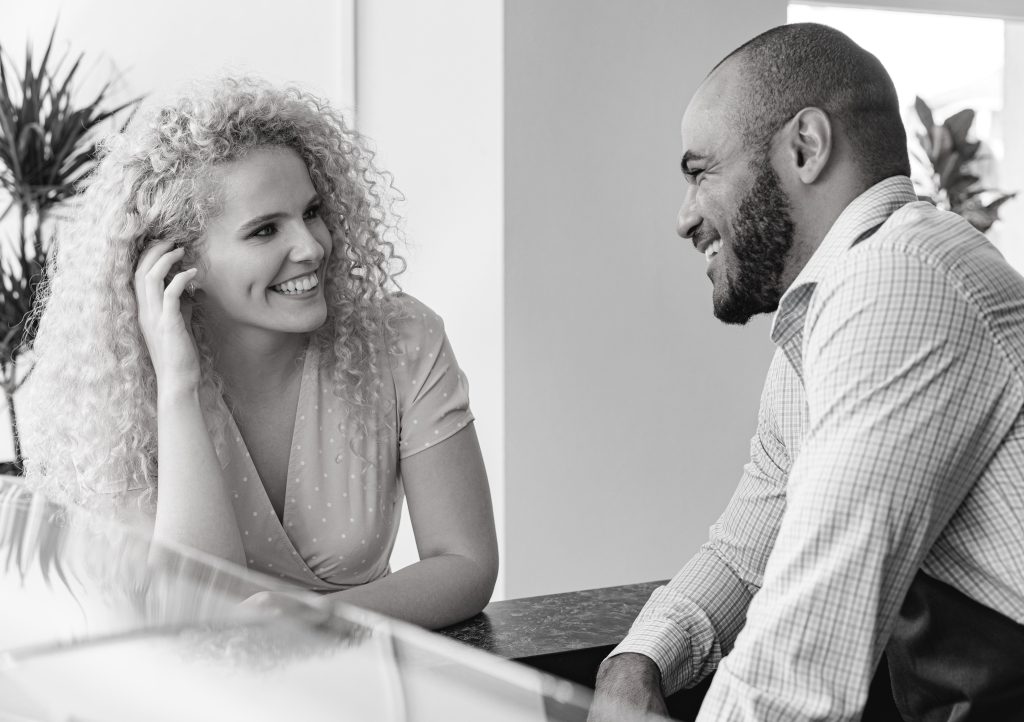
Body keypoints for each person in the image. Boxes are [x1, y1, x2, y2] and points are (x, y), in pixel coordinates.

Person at [591, 23, 1024, 722]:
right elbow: (743, 553)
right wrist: (634, 664)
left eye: (701, 172)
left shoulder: (902, 280)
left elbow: (798, 659)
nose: (684, 218)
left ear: (806, 147)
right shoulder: (830, 310)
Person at [20, 77, 498, 630]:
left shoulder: (401, 339)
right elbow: (194, 614)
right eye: (266, 230)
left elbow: (466, 564)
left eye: (312, 211)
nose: (312, 246)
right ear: (177, 266)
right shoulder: (124, 388)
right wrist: (179, 386)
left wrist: (312, 621)